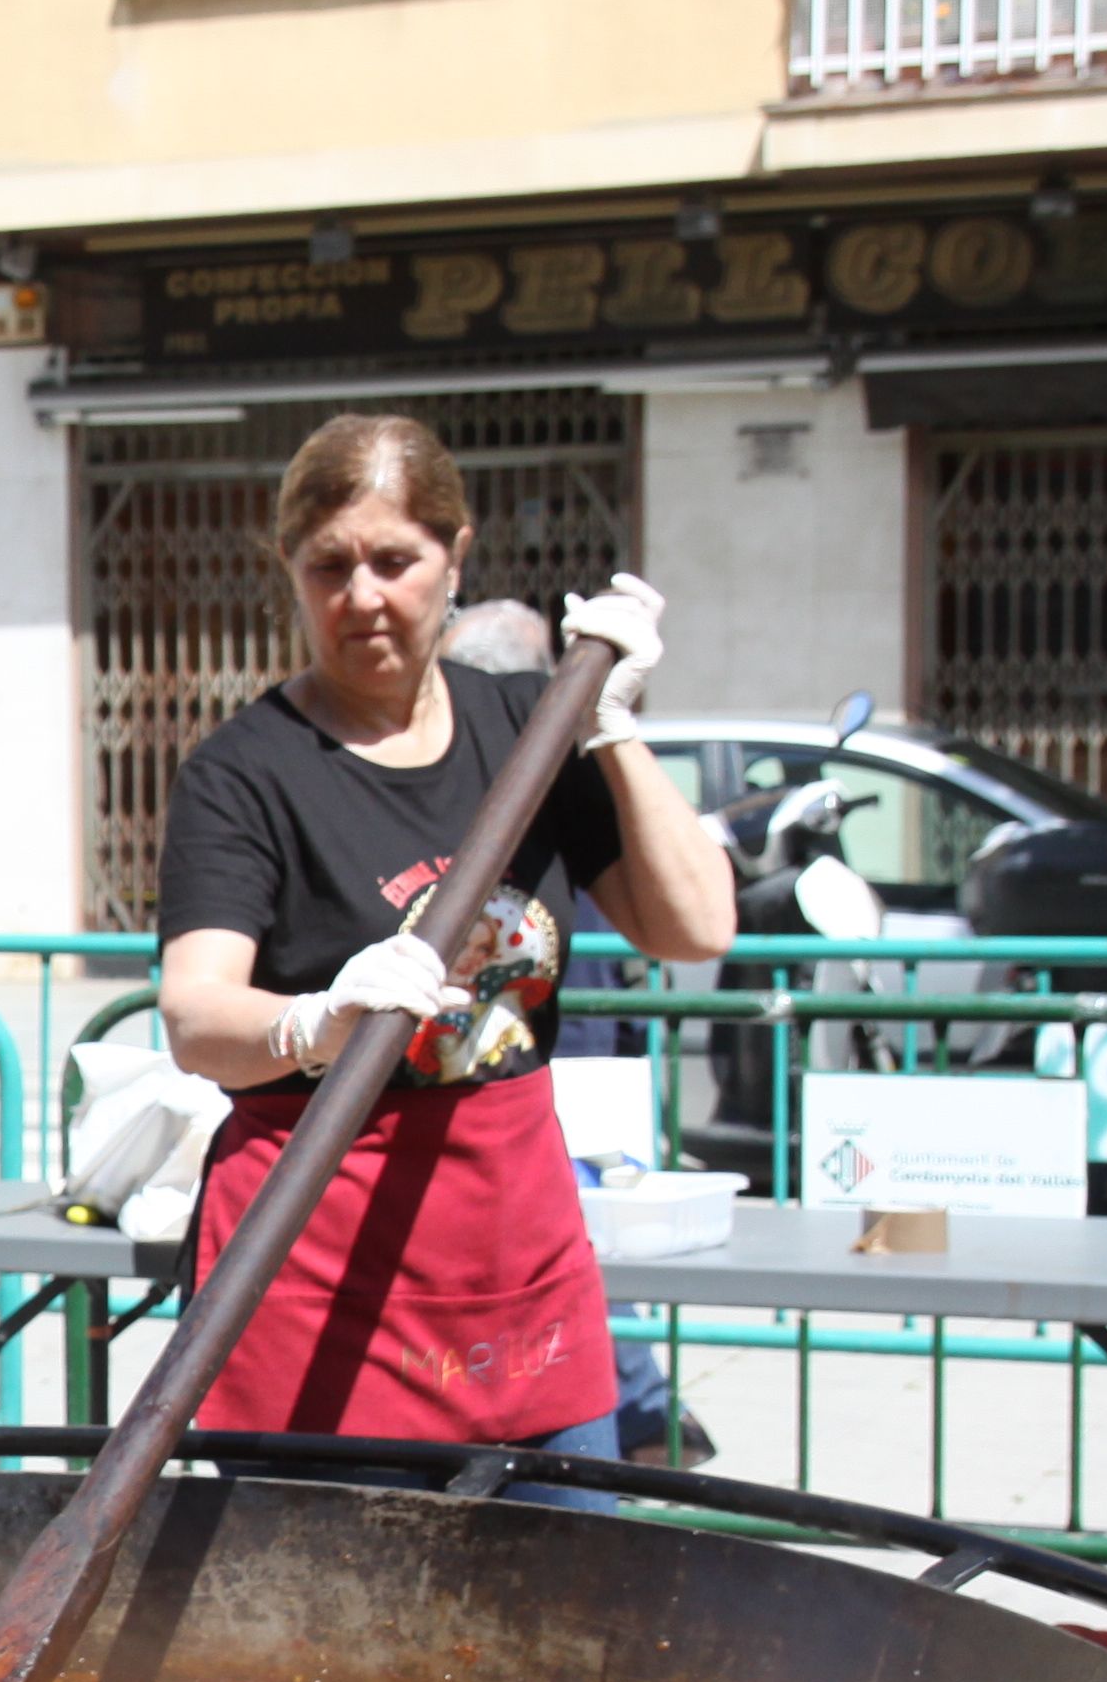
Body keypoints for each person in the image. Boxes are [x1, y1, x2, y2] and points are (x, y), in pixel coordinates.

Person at [153, 415, 735, 1479]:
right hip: (316, 1277)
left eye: (394, 561)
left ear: (456, 555)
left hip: (514, 1269)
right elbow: (196, 1016)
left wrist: (611, 730)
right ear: (287, 567)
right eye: (329, 566)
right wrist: (309, 1021)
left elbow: (696, 924)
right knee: (318, 1643)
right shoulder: (245, 774)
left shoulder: (530, 727)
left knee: (561, 1626)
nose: (363, 596)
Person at [434, 592, 714, 1467]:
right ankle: (646, 1409)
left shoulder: (565, 782)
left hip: (556, 1095)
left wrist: (611, 728)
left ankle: (643, 1410)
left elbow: (698, 922)